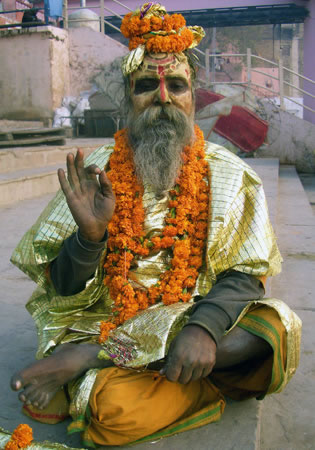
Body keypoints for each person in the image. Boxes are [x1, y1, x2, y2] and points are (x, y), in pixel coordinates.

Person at [10, 3, 301, 448]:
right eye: (147, 85)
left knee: (275, 330)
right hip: (106, 317)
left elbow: (246, 276)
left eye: (176, 85)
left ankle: (94, 361)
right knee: (115, 413)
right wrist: (90, 239)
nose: (162, 98)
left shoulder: (229, 174)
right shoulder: (96, 171)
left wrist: (203, 328)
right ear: (129, 97)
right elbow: (60, 289)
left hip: (191, 315)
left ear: (193, 96)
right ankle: (165, 374)